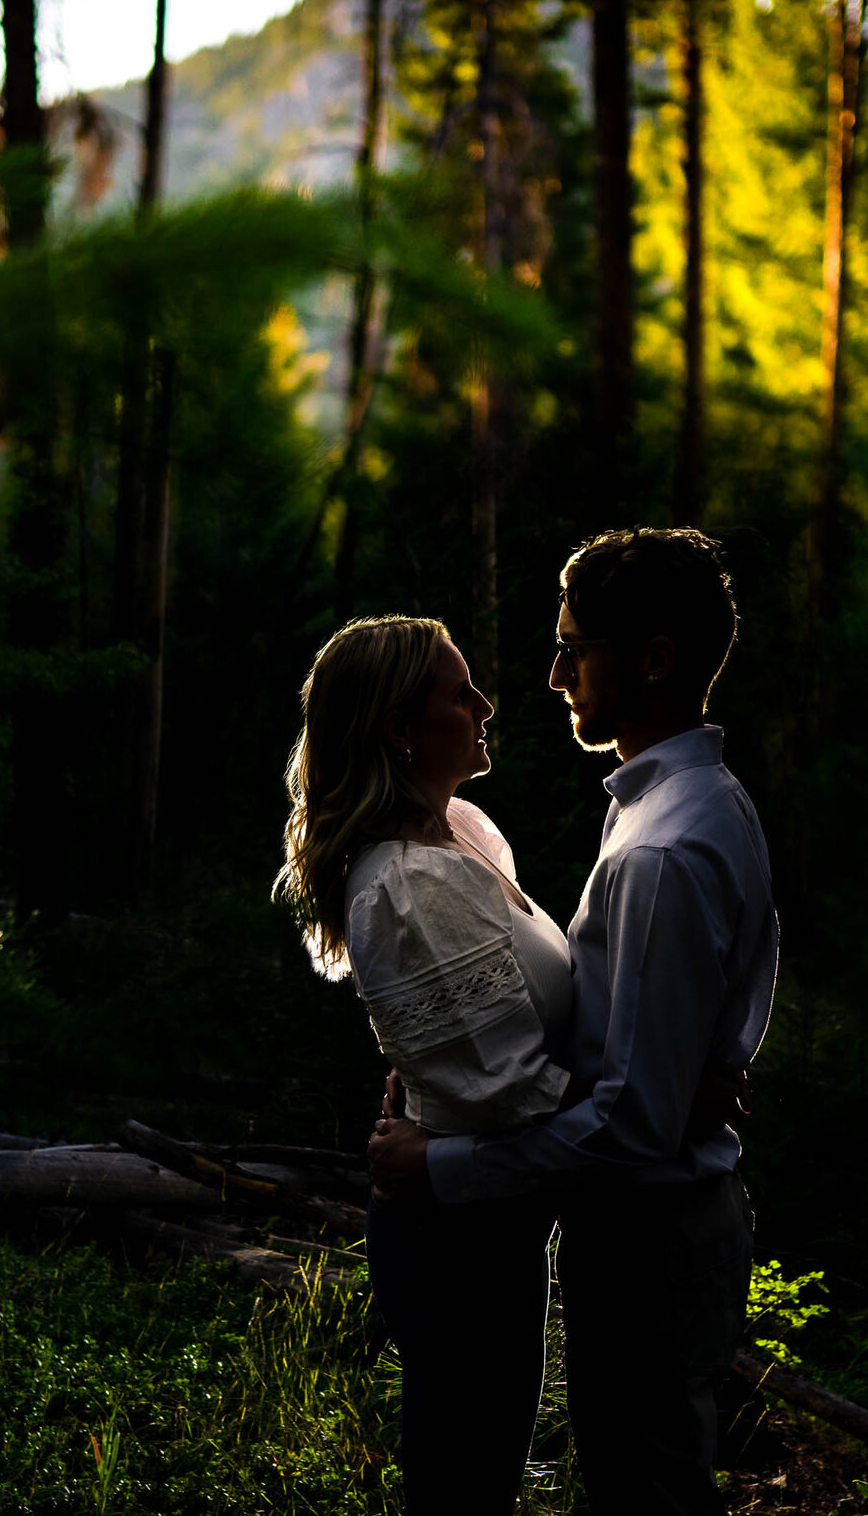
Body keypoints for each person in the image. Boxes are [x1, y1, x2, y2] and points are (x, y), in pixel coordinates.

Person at [369, 529, 779, 1516]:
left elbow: (634, 1122)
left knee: (645, 1488)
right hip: (661, 1220)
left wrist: (438, 1164)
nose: (551, 675)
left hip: (651, 1238)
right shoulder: (682, 804)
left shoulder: (659, 849)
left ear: (653, 661)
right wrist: (694, 1072)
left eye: (572, 648)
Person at [274, 615, 574, 1516]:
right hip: (462, 1241)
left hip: (493, 1213)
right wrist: (661, 1088)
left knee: (478, 1478)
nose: (484, 705)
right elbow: (515, 1094)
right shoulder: (407, 886)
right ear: (400, 727)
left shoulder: (464, 834)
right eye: (458, 693)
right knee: (463, 1486)